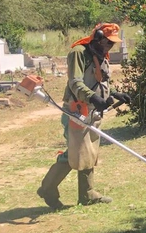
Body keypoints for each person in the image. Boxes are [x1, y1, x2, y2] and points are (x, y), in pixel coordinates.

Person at [37, 23, 131, 209]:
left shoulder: (100, 54)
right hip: (76, 111)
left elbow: (98, 81)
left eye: (112, 43)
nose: (110, 46)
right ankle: (47, 189)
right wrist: (93, 98)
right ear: (97, 37)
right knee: (76, 154)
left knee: (89, 152)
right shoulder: (79, 52)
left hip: (92, 111)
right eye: (107, 41)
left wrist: (113, 94)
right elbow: (75, 83)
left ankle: (87, 194)